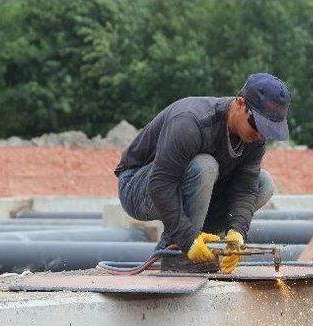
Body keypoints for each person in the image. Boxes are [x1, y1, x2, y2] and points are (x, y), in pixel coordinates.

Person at [115, 73, 291, 273]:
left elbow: (245, 188)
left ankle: (206, 246)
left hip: (190, 187)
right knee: (205, 166)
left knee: (263, 183)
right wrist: (186, 239)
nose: (260, 135)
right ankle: (176, 253)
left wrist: (237, 232)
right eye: (257, 125)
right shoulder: (191, 122)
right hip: (138, 186)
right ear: (240, 104)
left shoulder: (255, 141)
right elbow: (161, 183)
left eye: (267, 130)